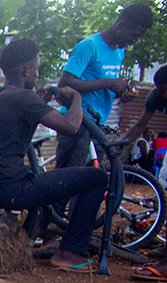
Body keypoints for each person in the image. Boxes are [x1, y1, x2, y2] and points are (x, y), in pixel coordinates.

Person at [0, 38, 108, 272]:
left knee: (41, 176)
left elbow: (16, 121)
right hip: (12, 189)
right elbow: (71, 126)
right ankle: (70, 253)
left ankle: (34, 237)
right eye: (36, 69)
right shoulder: (25, 99)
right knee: (97, 178)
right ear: (26, 70)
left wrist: (40, 101)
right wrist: (76, 98)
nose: (37, 74)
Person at [56, 3, 153, 170]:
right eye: (134, 35)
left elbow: (99, 89)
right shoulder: (89, 46)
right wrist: (108, 82)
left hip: (97, 125)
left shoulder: (118, 51)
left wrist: (120, 94)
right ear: (121, 26)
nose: (134, 41)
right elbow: (64, 84)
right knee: (67, 179)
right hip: (77, 122)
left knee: (93, 180)